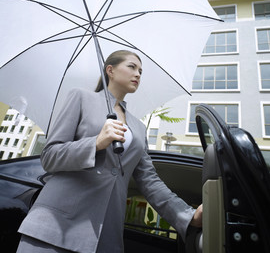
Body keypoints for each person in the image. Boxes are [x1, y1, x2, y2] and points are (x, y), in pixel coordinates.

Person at [17, 50, 202, 253]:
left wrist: (188, 215)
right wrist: (95, 143)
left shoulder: (138, 128)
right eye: (132, 67)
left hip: (104, 237)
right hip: (55, 228)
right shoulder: (81, 98)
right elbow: (50, 156)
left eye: (141, 70)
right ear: (110, 70)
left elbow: (151, 182)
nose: (138, 74)